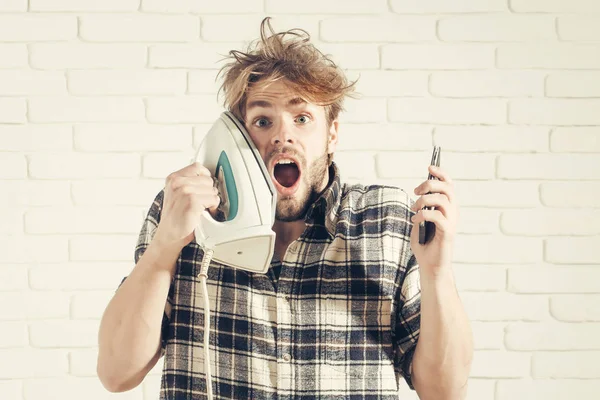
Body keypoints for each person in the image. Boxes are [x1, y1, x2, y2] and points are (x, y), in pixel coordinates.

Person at [97, 17, 473, 399]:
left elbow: (444, 392)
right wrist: (165, 248)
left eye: (302, 118)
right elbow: (116, 372)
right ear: (239, 134)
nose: (282, 135)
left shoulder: (388, 221)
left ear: (332, 134)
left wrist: (437, 271)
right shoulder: (186, 215)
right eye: (263, 120)